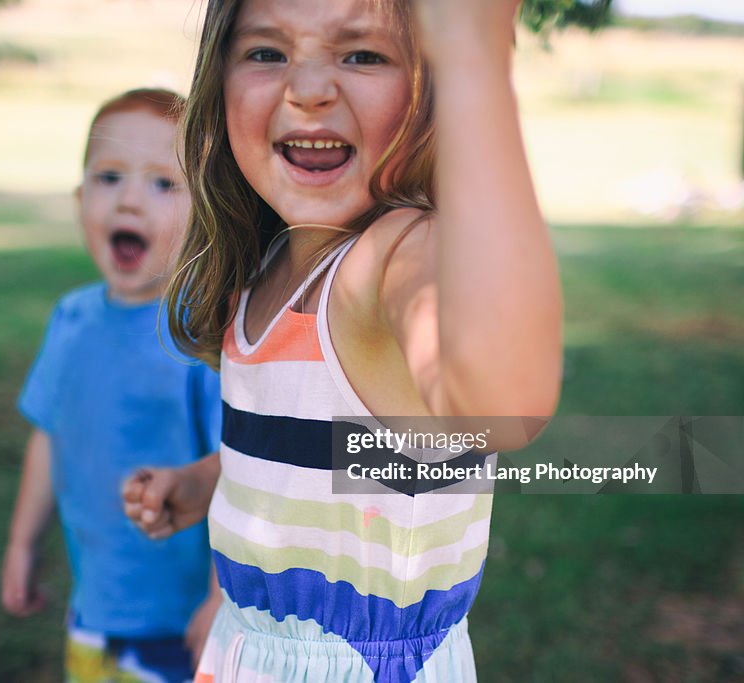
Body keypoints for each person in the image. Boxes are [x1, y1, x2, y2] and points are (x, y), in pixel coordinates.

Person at [122, 1, 563, 681]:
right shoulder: (269, 270)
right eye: (267, 52)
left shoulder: (392, 257)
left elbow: (501, 401)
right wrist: (214, 478)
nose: (308, 88)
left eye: (363, 54)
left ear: (429, 88)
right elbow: (342, 451)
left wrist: (478, 62)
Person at [1, 88, 223, 683]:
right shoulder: (70, 320)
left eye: (162, 184)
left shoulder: (202, 339)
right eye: (108, 177)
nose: (129, 200)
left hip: (186, 626)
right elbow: (50, 438)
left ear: (205, 211)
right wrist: (23, 544)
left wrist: (222, 599)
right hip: (93, 610)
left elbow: (240, 472)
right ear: (79, 200)